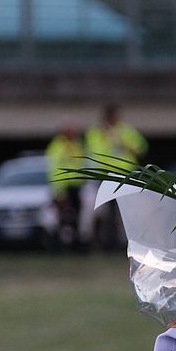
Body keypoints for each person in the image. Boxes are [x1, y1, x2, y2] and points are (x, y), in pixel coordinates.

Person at [84, 104, 147, 250]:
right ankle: (107, 241)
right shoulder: (96, 132)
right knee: (104, 211)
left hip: (125, 174)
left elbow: (141, 148)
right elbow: (95, 152)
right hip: (106, 175)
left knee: (125, 210)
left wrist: (123, 144)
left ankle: (124, 241)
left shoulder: (126, 130)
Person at [45, 119, 86, 250]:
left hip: (76, 186)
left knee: (75, 217)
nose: (74, 133)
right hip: (64, 187)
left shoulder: (76, 144)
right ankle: (60, 244)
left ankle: (75, 242)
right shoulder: (57, 146)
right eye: (71, 131)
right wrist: (59, 191)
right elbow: (54, 169)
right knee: (63, 217)